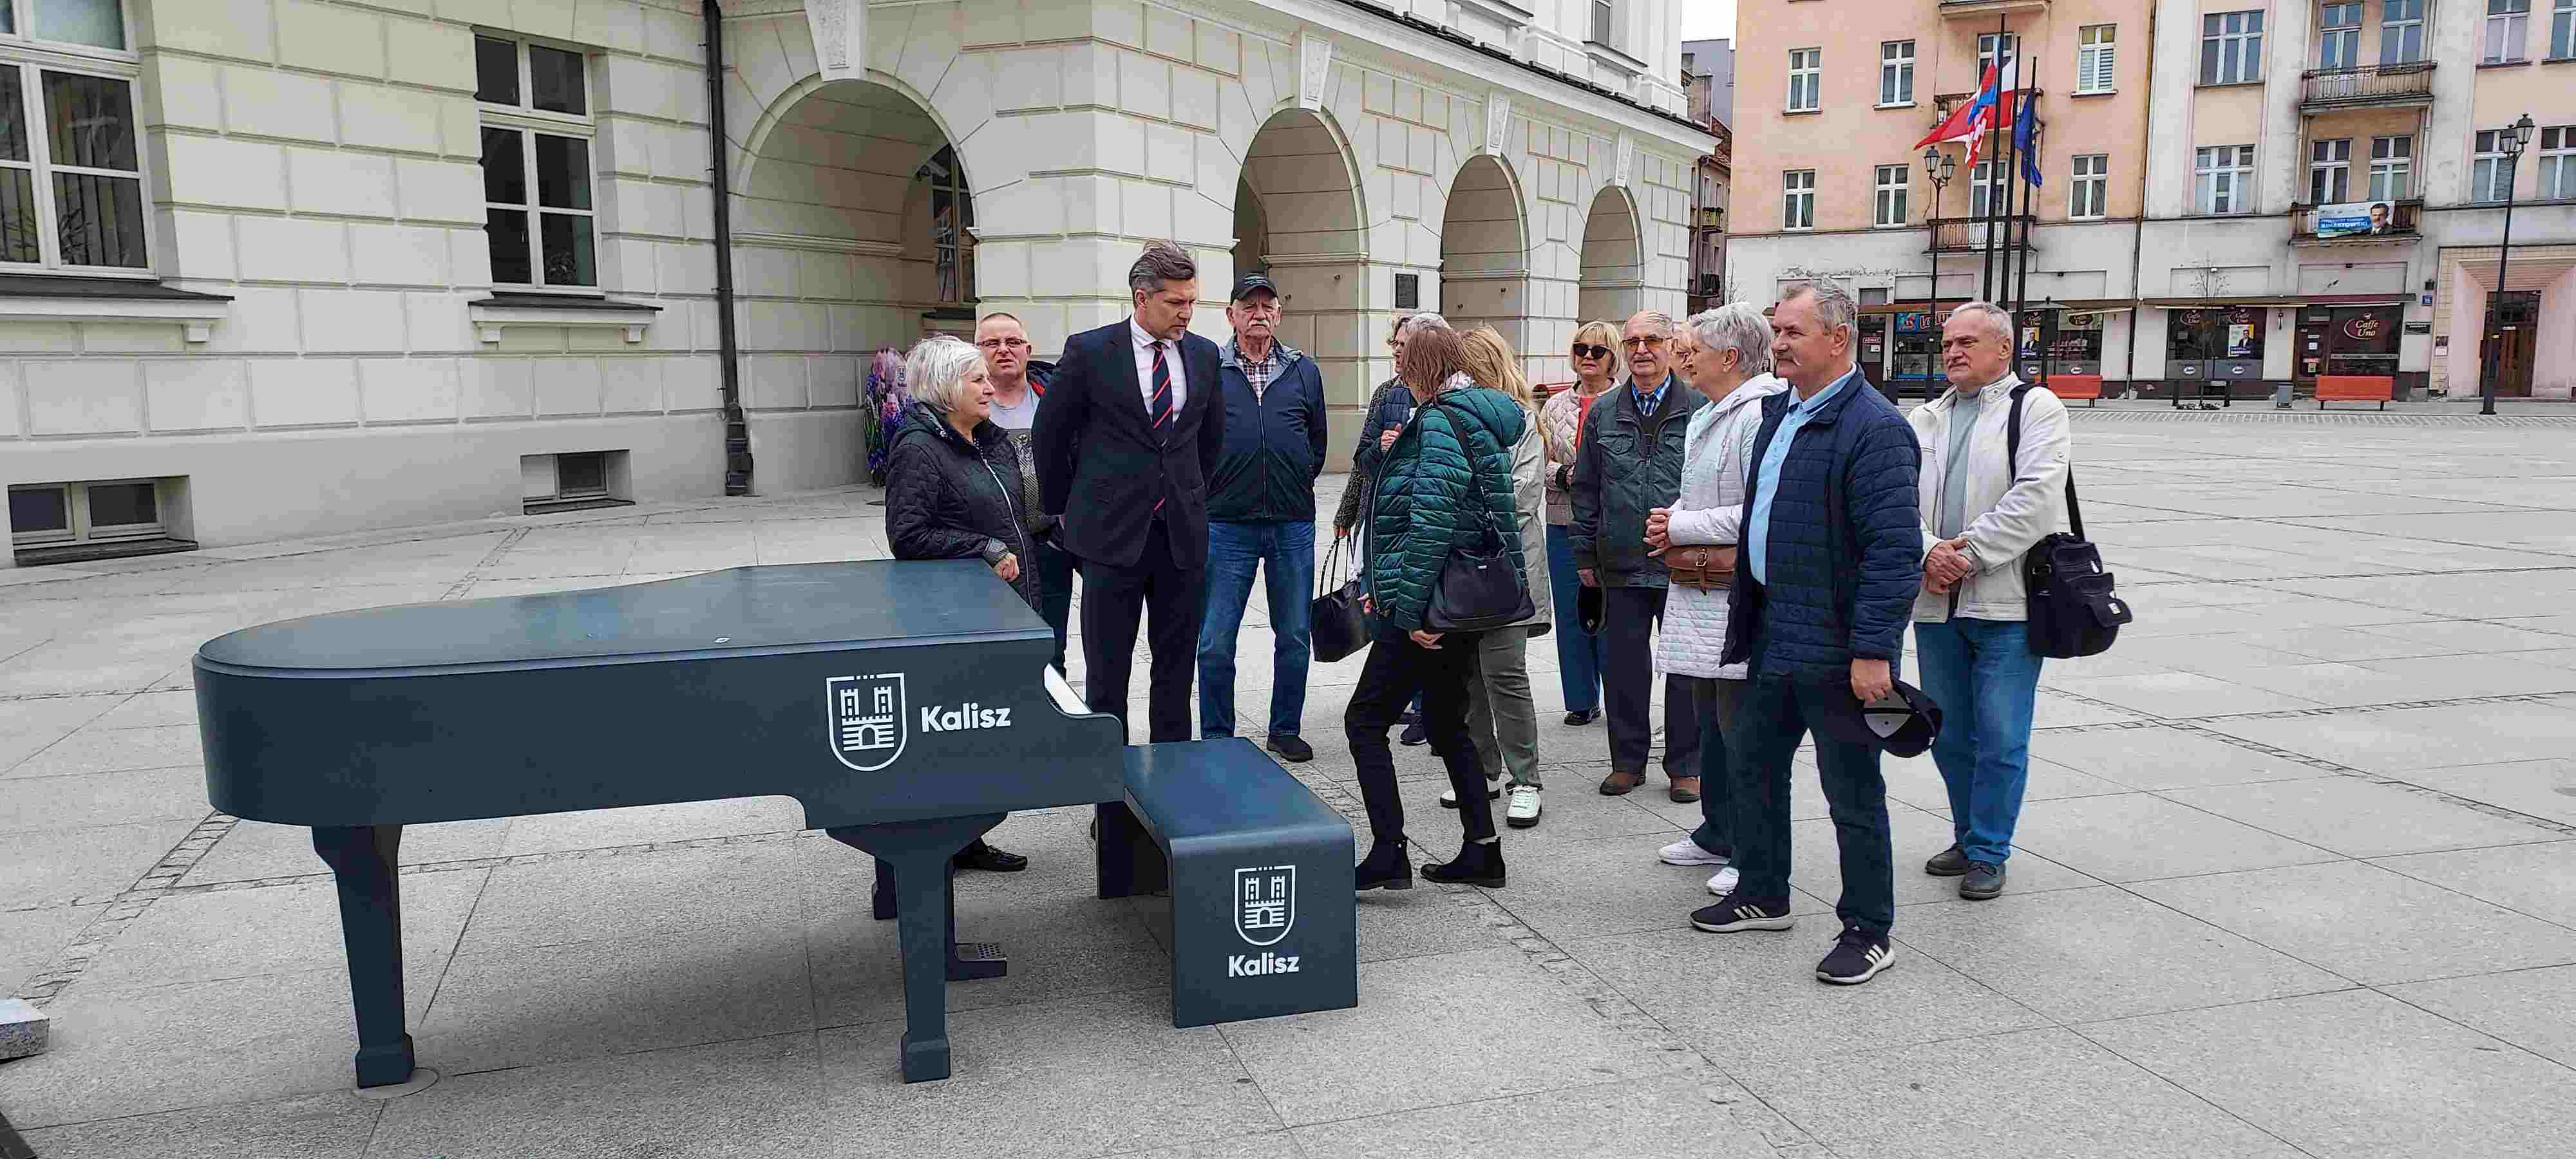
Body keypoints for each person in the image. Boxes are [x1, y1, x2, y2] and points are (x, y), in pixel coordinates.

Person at [1698, 280, 1920, 988]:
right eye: (1777, 330)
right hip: (1773, 632)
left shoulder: (1875, 428)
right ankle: (1763, 893)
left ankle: (1868, 930)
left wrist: (1872, 652)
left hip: (1836, 649)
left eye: (1794, 332)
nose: (1780, 343)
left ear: (1838, 339)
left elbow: (1893, 551)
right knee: (1754, 770)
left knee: (1851, 793)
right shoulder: (1781, 412)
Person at [1346, 317, 1529, 891]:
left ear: (1419, 367)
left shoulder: (1440, 422)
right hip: (1459, 601)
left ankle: (1389, 851)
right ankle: (1483, 851)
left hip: (1429, 607)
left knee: (1364, 721)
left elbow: (1430, 523)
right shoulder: (1475, 415)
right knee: (1449, 724)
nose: (1398, 366)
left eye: (1404, 357)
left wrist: (1411, 613)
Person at [1908, 301, 2070, 901]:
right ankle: (1966, 834)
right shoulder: (1924, 418)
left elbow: (2036, 498)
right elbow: (1894, 499)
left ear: (2004, 348)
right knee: (1950, 734)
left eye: (1967, 342)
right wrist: (1930, 551)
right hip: (1936, 604)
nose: (1952, 352)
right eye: (1948, 342)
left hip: (2007, 606)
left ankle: (1989, 850)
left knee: (2001, 735)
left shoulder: (2036, 408)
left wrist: (1967, 555)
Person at [1033, 241, 1226, 742]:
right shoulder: (1091, 352)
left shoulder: (1205, 356)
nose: (1187, 313)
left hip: (1181, 539)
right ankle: (1111, 788)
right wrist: (1065, 510)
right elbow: (1050, 434)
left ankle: (1173, 779)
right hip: (1109, 539)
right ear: (1142, 297)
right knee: (1107, 676)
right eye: (1175, 302)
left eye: (1191, 301)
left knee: (1176, 674)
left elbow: (1211, 441)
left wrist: (1190, 495)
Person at [884, 335, 1037, 874]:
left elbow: (1015, 513)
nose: (990, 388)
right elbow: (908, 535)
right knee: (959, 733)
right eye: (977, 380)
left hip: (1006, 606)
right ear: (946, 387)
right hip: (958, 618)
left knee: (988, 733)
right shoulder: (919, 448)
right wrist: (983, 547)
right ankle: (940, 844)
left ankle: (966, 836)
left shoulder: (988, 438)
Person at [1646, 305, 1785, 896]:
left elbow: (1758, 510)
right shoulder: (1711, 413)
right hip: (1702, 591)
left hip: (1733, 594)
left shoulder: (1759, 414)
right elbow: (1701, 493)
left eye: (1693, 350)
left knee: (1742, 731)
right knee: (1711, 720)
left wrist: (1679, 525)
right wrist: (1674, 515)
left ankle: (1751, 851)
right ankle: (1718, 830)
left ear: (1729, 357)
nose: (1684, 358)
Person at [1571, 310, 1705, 802]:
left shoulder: (1699, 408)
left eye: (1652, 340)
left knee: (1685, 669)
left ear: (1671, 346)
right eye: (1632, 342)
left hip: (1682, 562)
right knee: (1624, 669)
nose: (1642, 350)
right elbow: (1586, 487)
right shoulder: (1604, 412)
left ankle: (1686, 765)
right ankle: (1627, 762)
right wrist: (1585, 552)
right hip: (1620, 560)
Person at [1199, 274, 1329, 763]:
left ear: (1278, 314)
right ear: (1231, 314)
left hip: (1291, 523)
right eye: (1248, 305)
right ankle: (1217, 735)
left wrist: (1292, 480)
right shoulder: (1210, 368)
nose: (1258, 313)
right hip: (1225, 524)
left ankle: (1285, 729)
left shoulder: (1303, 370)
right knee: (1215, 640)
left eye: (1267, 305)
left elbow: (1316, 444)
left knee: (1294, 635)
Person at [1442, 326, 1553, 828]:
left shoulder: (1522, 419)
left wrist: (1462, 502)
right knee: (1468, 674)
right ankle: (1482, 771)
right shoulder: (1452, 418)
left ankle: (1526, 780)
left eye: (1462, 369)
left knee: (1505, 672)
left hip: (1511, 565)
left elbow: (1521, 494)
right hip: (1463, 565)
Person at [1336, 314, 1435, 744]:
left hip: (1423, 525)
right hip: (1383, 523)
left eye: (1404, 343)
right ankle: (1402, 698)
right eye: (1394, 343)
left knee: (1420, 616)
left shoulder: (1443, 396)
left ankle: (1427, 711)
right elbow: (1362, 460)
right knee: (1384, 613)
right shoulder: (1386, 393)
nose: (1397, 350)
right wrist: (1347, 513)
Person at [975, 312, 1073, 672]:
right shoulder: (967, 405)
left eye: (1013, 342)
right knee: (997, 646)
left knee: (1051, 643)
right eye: (992, 343)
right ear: (976, 351)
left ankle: (1052, 701)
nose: (1004, 350)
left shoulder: (1056, 396)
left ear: (1028, 350)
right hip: (994, 547)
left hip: (1051, 542)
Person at [1540, 321, 1620, 726]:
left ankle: (1618, 695)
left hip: (1613, 524)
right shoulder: (1554, 407)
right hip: (1563, 520)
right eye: (1580, 349)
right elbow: (1537, 463)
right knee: (1572, 613)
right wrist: (1564, 475)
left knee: (1613, 614)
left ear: (1612, 359)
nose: (1588, 356)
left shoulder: (1625, 402)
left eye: (1598, 351)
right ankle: (1581, 698)